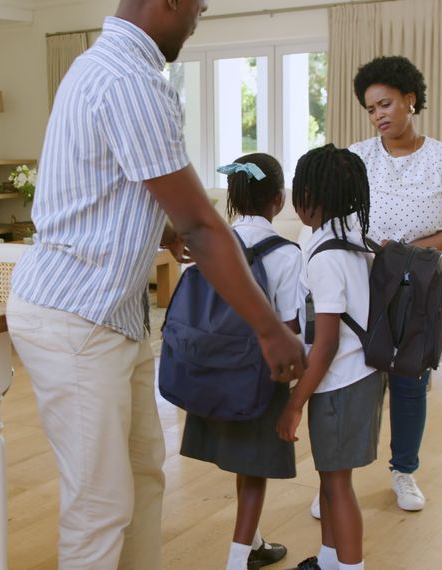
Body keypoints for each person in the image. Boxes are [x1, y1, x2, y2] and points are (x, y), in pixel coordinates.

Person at [5, 0, 307, 567]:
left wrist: (158, 228)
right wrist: (269, 329)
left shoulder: (99, 64)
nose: (198, 18)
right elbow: (204, 224)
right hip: (77, 317)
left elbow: (110, 184)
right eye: (199, 6)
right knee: (98, 506)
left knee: (144, 475)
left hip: (110, 316)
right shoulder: (129, 80)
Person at [344, 55, 442, 514]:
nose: (378, 115)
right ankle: (339, 480)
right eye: (370, 109)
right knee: (357, 381)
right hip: (368, 287)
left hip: (427, 288)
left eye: (385, 104)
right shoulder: (357, 157)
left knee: (409, 380)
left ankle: (404, 471)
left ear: (410, 100)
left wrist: (404, 254)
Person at [178, 153, 300, 570]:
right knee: (256, 469)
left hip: (212, 371)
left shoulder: (210, 246)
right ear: (279, 199)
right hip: (261, 374)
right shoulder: (287, 253)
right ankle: (237, 560)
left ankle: (255, 541)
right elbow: (289, 327)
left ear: (232, 196)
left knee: (243, 462)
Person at [278, 144, 386, 570]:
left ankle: (351, 566)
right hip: (358, 376)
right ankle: (327, 560)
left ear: (311, 197)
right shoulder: (356, 242)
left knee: (338, 485)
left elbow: (326, 344)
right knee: (330, 475)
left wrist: (294, 403)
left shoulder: (326, 258)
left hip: (341, 382)